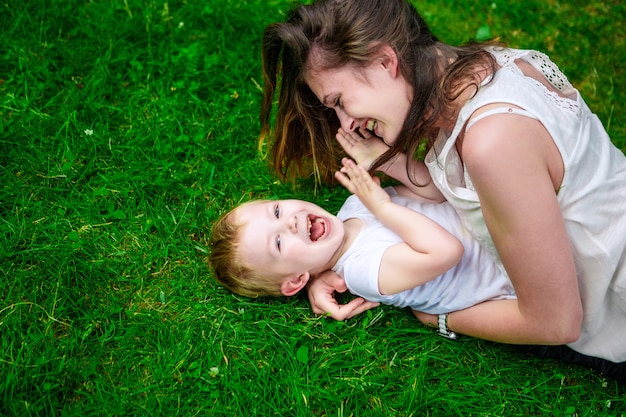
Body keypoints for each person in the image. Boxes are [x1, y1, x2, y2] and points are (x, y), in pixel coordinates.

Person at [258, 0, 626, 378]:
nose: (347, 124)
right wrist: (326, 266)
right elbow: (453, 190)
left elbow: (555, 324)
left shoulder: (492, 144)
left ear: (385, 61)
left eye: (339, 102)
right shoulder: (481, 68)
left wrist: (439, 318)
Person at [209, 157, 517, 340]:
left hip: (503, 225)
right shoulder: (362, 272)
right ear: (296, 280)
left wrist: (389, 160)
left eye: (276, 211)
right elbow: (446, 252)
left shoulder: (355, 204)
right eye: (277, 242)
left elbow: (436, 192)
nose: (287, 222)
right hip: (514, 276)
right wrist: (382, 207)